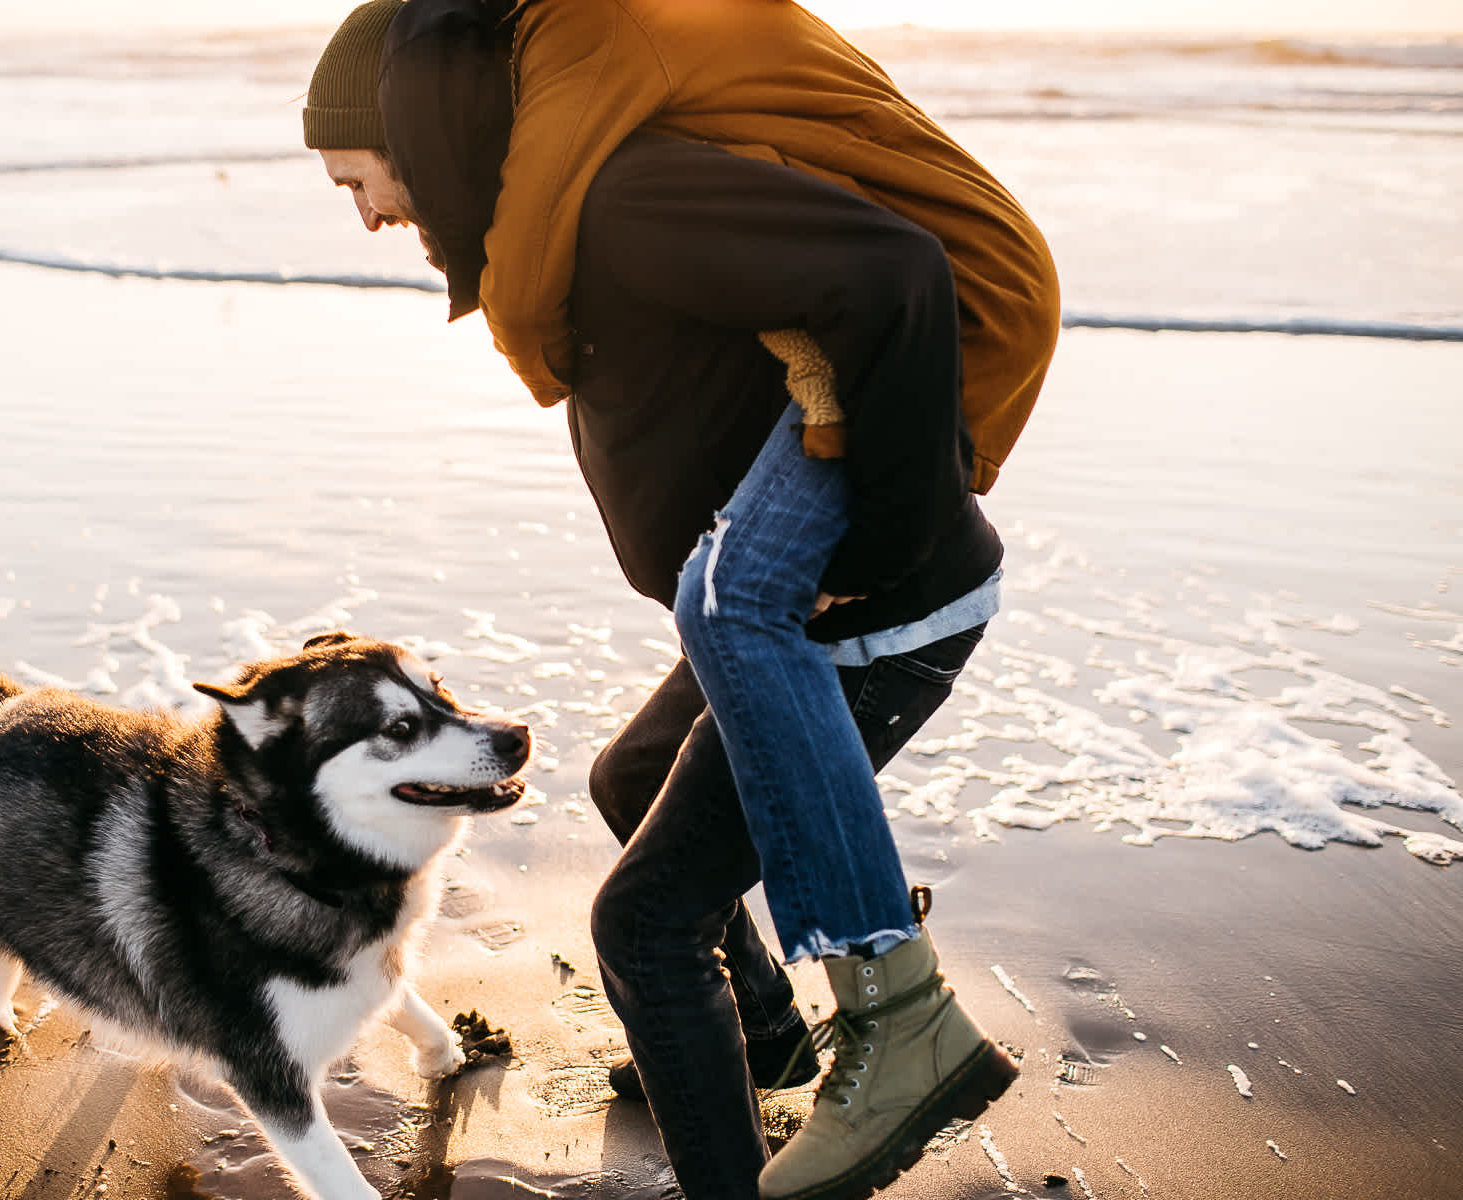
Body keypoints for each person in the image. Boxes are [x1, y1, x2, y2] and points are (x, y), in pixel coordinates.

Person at [301, 3, 1061, 1198]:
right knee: (628, 778)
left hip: (873, 622)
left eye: (358, 176)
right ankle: (760, 1036)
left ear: (417, 129)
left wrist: (893, 541)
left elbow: (898, 271)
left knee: (646, 931)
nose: (366, 215)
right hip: (823, 605)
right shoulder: (551, 224)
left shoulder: (621, 199)